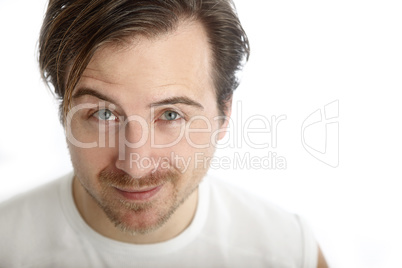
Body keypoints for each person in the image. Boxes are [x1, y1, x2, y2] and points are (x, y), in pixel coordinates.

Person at [0, 0, 328, 267]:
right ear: (63, 114)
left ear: (223, 115)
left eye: (170, 115)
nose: (135, 164)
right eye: (102, 114)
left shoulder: (287, 252)